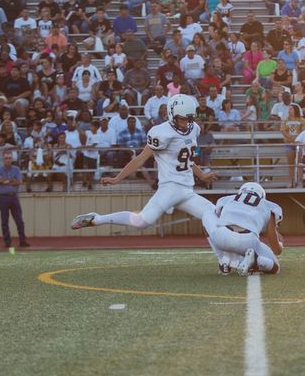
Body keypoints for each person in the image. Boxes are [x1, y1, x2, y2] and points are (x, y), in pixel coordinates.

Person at [71, 95, 219, 232]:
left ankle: (225, 260)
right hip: (169, 188)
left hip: (187, 191)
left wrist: (202, 175)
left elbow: (187, 160)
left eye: (189, 118)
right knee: (140, 222)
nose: (186, 123)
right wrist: (117, 178)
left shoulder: (194, 129)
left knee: (216, 218)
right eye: (182, 119)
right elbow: (140, 158)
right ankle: (97, 219)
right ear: (172, 114)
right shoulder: (161, 132)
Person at [202, 182, 284, 276]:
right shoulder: (270, 206)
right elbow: (276, 249)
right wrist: (280, 244)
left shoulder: (226, 199)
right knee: (275, 268)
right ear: (262, 195)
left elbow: (218, 218)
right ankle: (257, 261)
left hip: (222, 237)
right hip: (249, 242)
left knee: (207, 214)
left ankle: (223, 260)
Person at [0, 150, 29, 248]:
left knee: (19, 220)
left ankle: (22, 240)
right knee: (4, 221)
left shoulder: (16, 169)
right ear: (3, 160)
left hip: (14, 196)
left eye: (9, 158)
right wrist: (11, 181)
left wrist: (6, 181)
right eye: (6, 158)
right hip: (3, 197)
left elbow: (19, 182)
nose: (8, 160)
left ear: (12, 159)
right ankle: (7, 242)